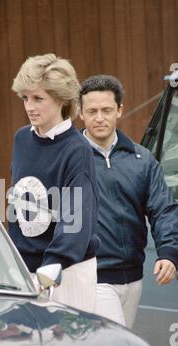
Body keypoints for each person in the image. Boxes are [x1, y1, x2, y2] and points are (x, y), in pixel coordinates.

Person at [79, 74, 178, 328]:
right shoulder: (70, 159)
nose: (99, 117)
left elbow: (163, 209)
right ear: (81, 113)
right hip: (93, 277)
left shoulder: (141, 159)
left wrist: (168, 252)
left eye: (106, 110)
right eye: (92, 111)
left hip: (134, 278)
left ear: (119, 111)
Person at [8, 54, 99, 312]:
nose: (29, 106)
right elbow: (18, 205)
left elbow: (76, 215)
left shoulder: (77, 149)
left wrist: (53, 264)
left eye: (38, 98)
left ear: (60, 99)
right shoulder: (21, 139)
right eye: (25, 98)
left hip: (68, 271)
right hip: (27, 271)